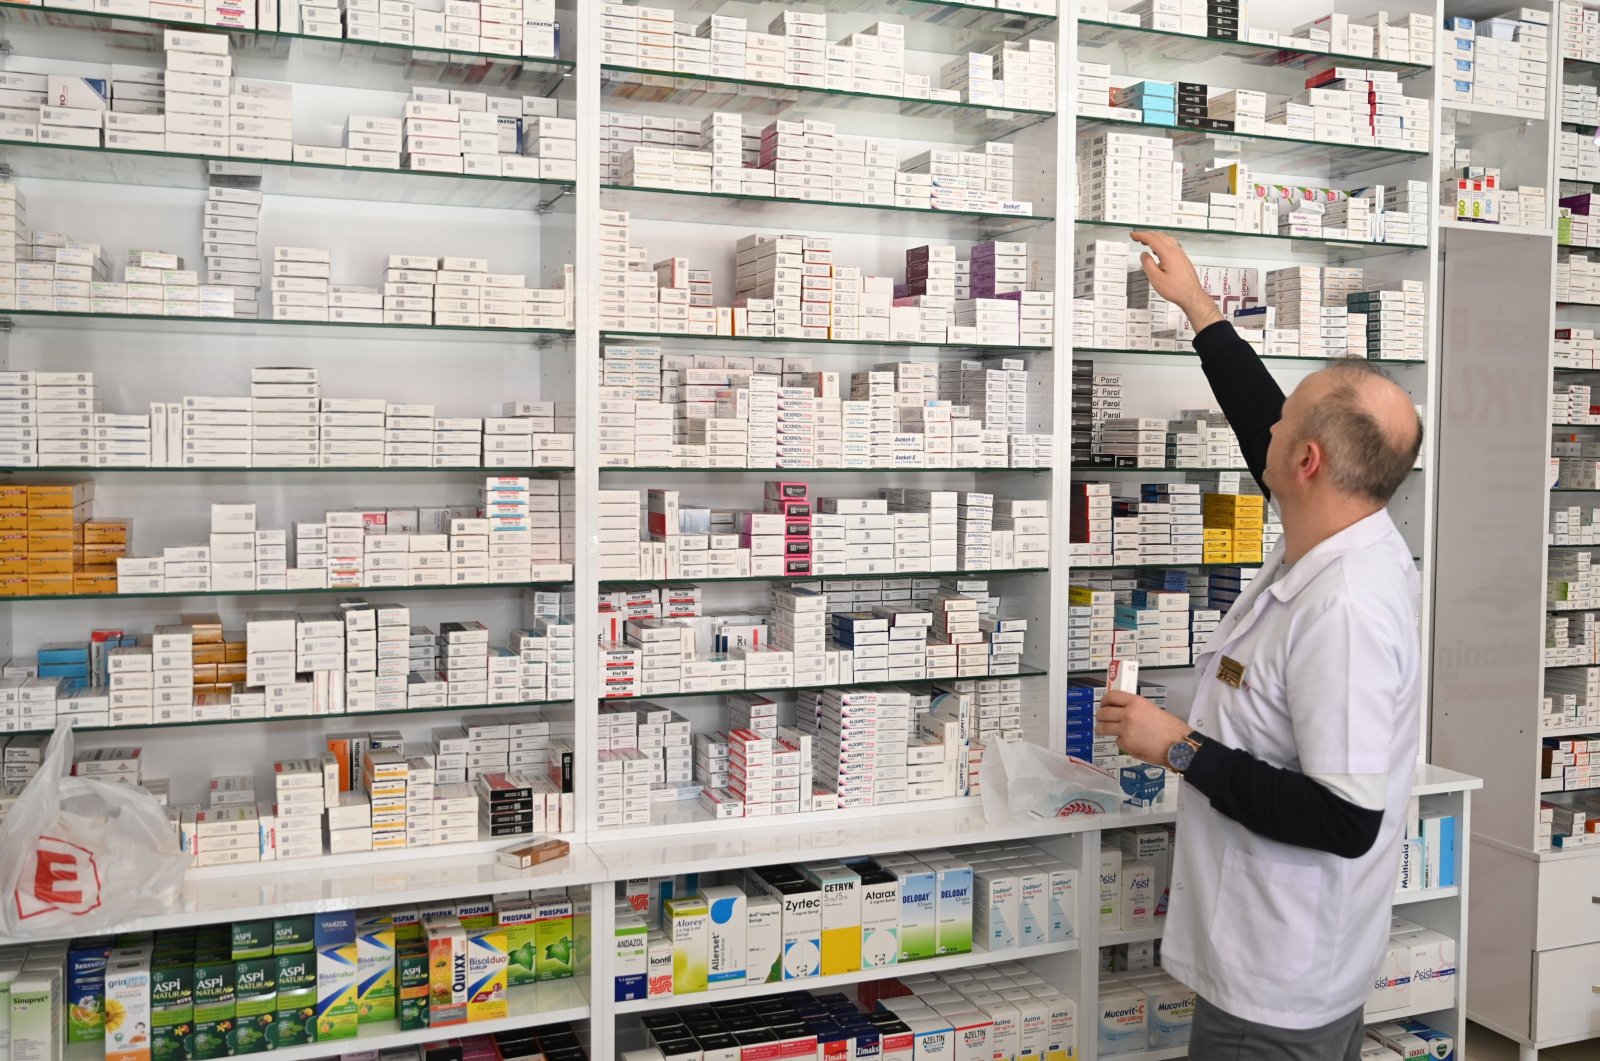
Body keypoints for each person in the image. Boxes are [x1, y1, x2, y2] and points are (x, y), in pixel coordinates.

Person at [1096, 231, 1425, 1061]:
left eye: (1288, 420)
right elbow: (1263, 428)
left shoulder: (1346, 604)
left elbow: (1346, 816)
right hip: (1287, 957)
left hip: (1280, 975)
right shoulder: (1341, 523)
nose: (1267, 425)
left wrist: (1178, 747)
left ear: (1307, 460)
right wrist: (1200, 310)